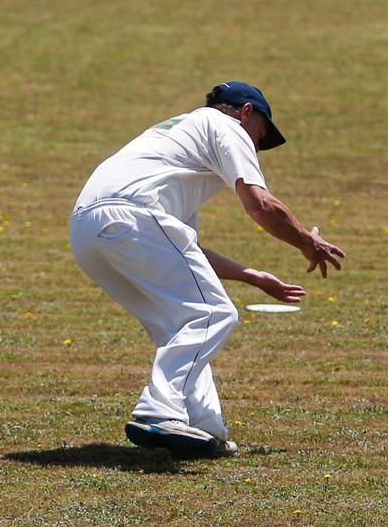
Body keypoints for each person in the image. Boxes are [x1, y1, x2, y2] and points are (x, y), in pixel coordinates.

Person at [70, 82, 346, 457]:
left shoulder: (176, 155)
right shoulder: (225, 126)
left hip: (88, 230)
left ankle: (203, 428)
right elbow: (260, 204)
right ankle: (158, 412)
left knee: (181, 324)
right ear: (246, 112)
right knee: (212, 314)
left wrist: (252, 276)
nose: (256, 148)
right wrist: (306, 242)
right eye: (260, 137)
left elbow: (186, 249)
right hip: (131, 217)